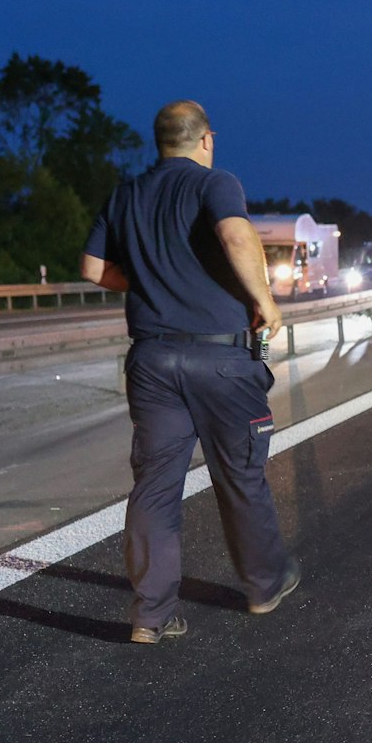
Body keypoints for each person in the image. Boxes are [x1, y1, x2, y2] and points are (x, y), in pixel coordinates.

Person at [81, 101, 301, 645]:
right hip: (222, 360)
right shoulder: (216, 182)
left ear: (159, 142)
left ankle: (150, 616)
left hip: (153, 360)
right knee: (239, 475)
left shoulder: (125, 193)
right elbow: (235, 236)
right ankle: (263, 585)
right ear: (206, 140)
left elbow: (90, 269)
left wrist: (151, 285)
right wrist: (265, 301)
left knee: (155, 486)